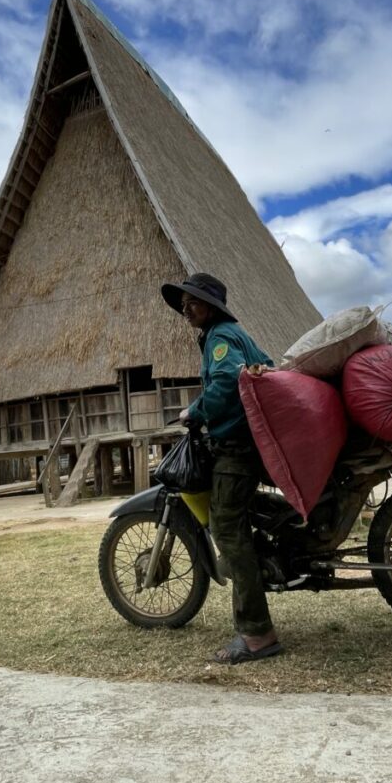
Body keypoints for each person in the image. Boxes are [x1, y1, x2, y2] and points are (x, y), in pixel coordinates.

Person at [161, 273, 282, 665]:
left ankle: (257, 634)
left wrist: (195, 410)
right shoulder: (234, 334)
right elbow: (264, 366)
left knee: (228, 529)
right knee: (239, 520)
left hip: (236, 447)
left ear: (211, 306)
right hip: (248, 442)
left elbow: (229, 380)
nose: (186, 309)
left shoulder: (220, 337)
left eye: (193, 302)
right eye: (183, 304)